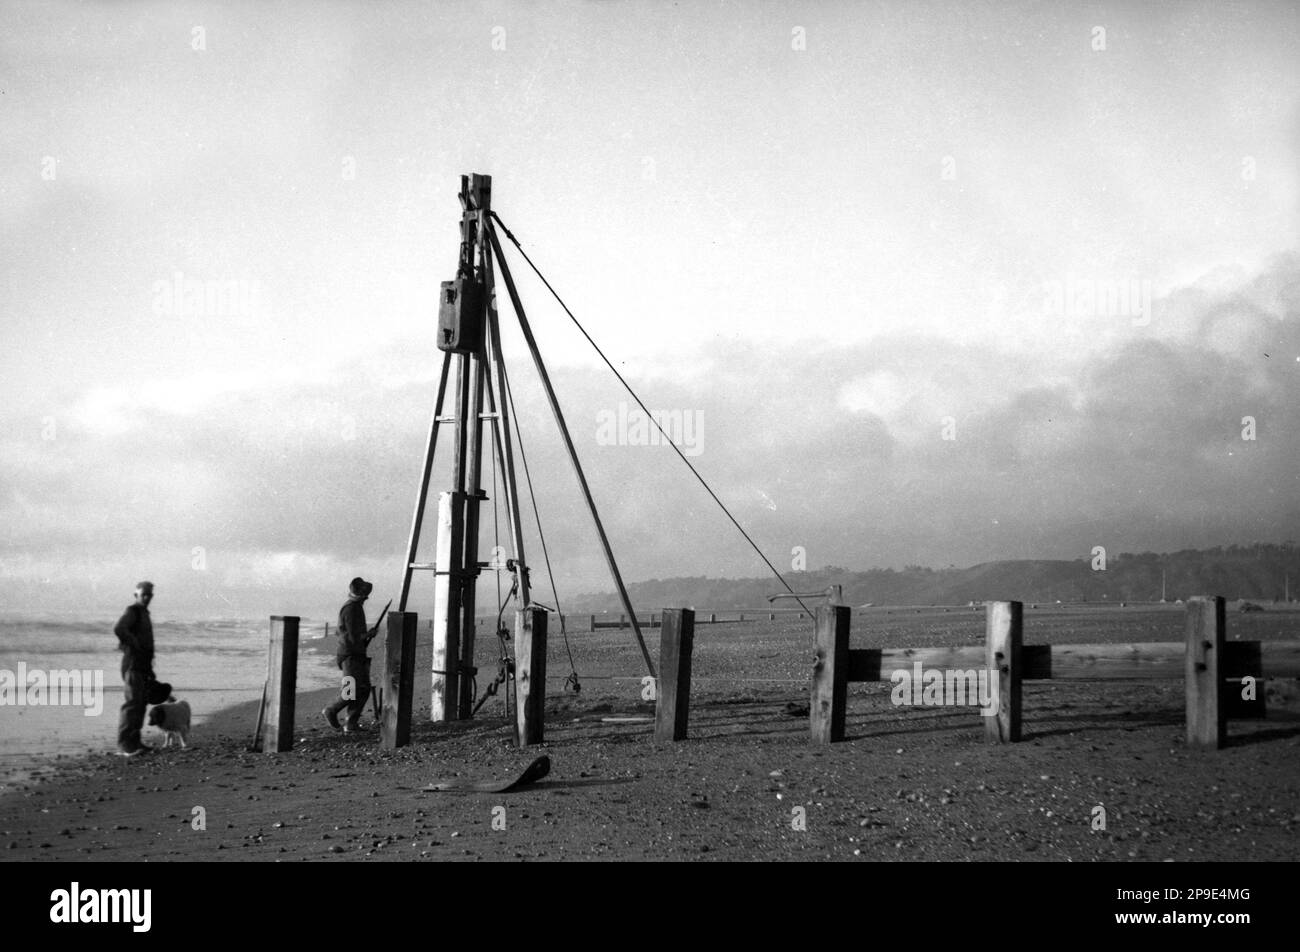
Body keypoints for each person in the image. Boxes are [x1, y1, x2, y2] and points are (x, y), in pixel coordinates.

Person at [323, 577, 374, 733]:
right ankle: (330, 710)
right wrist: (368, 634)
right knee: (350, 691)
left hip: (356, 654)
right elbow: (352, 636)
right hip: (350, 655)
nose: (367, 597)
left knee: (363, 689)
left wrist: (366, 636)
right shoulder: (352, 608)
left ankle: (351, 724)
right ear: (359, 594)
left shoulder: (354, 606)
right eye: (365, 594)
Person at [114, 581, 156, 756]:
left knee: (140, 704)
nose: (147, 597)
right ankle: (124, 745)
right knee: (132, 704)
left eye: (149, 594)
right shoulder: (133, 611)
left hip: (143, 665)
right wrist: (134, 643)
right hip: (132, 664)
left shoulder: (144, 613)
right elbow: (119, 628)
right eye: (143, 594)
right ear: (136, 595)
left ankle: (135, 741)